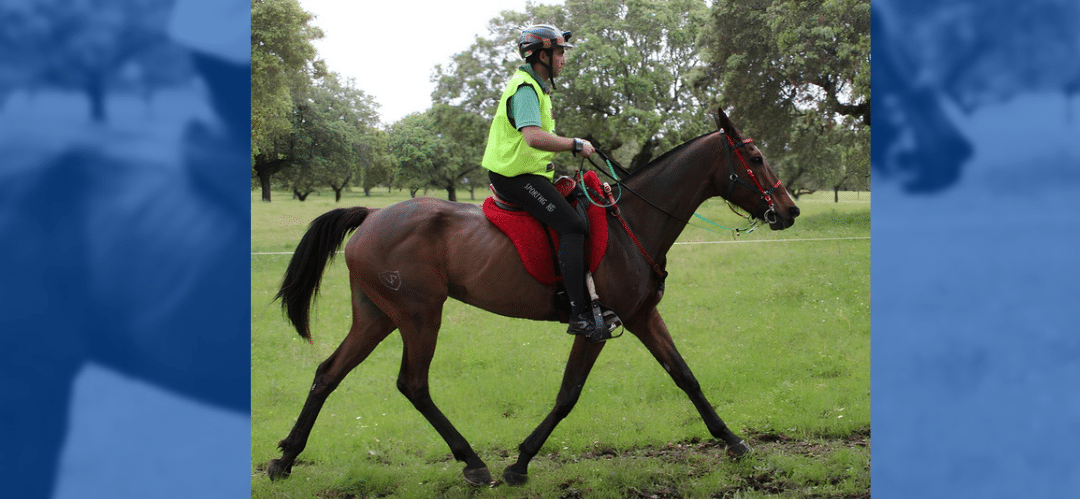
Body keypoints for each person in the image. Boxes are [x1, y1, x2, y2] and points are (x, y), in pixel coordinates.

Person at [482, 24, 614, 342]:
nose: (563, 60)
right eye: (559, 53)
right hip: (514, 177)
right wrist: (574, 143)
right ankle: (579, 313)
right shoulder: (526, 89)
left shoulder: (537, 88)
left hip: (530, 174)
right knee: (571, 226)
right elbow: (533, 137)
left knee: (579, 203)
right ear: (542, 55)